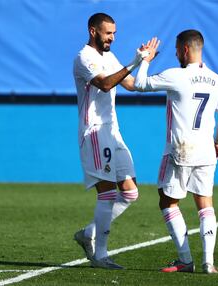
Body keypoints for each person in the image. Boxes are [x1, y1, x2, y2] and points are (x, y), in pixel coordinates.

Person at [134, 31, 218, 274]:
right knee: (205, 203)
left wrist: (146, 60)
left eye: (177, 49)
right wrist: (217, 141)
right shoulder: (216, 80)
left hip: (179, 149)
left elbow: (140, 84)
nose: (176, 53)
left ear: (185, 50)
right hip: (206, 150)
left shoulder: (175, 75)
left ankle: (185, 260)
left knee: (167, 201)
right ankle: (208, 262)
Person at [73, 12, 149, 270]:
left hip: (113, 130)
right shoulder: (84, 57)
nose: (112, 38)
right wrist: (133, 62)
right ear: (93, 31)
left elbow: (129, 84)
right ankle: (101, 255)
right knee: (107, 193)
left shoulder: (109, 56)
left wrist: (145, 64)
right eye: (108, 33)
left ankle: (88, 233)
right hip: (95, 131)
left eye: (114, 33)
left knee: (130, 192)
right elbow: (105, 84)